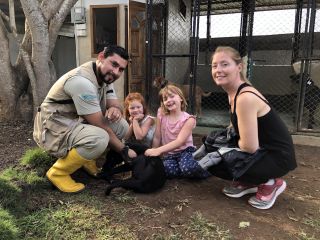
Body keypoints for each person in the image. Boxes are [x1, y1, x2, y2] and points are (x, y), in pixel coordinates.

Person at [199, 46, 296, 209]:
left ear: (239, 67)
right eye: (215, 65)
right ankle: (249, 180)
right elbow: (236, 128)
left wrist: (222, 150)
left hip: (277, 157)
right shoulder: (234, 93)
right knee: (213, 145)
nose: (218, 70)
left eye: (224, 64)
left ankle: (270, 182)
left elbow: (250, 147)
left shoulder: (245, 98)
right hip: (266, 151)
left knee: (215, 157)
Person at [33, 45, 137, 193]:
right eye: (114, 64)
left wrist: (115, 109)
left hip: (76, 122)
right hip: (54, 128)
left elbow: (114, 103)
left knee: (122, 126)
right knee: (100, 138)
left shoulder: (105, 77)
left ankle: (88, 159)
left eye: (121, 69)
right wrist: (124, 150)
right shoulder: (82, 82)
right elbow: (100, 125)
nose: (116, 72)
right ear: (101, 57)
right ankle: (58, 173)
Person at [144, 84, 210, 179]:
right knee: (166, 170)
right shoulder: (161, 114)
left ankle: (207, 167)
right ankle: (183, 167)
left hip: (185, 151)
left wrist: (158, 150)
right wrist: (154, 153)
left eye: (172, 96)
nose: (169, 100)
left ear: (181, 98)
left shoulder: (189, 119)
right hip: (169, 153)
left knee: (188, 169)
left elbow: (179, 141)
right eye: (165, 99)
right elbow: (157, 136)